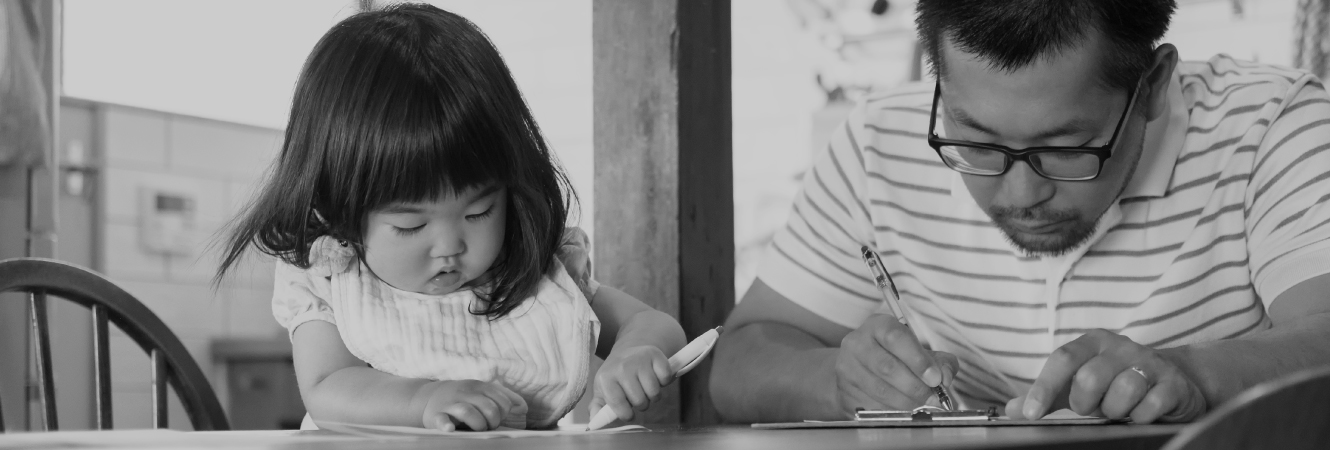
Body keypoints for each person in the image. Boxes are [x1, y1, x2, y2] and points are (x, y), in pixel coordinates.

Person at [711, 0, 1330, 425]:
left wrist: (1193, 373)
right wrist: (837, 382)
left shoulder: (1271, 127)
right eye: (976, 143)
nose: (1018, 195)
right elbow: (739, 359)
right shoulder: (879, 140)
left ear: (1152, 86)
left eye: (1064, 150)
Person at [215, 4, 685, 431]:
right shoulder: (332, 274)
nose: (450, 246)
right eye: (410, 226)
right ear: (340, 211)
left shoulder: (537, 272)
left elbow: (654, 323)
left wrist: (636, 352)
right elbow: (328, 387)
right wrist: (426, 399)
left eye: (479, 211)